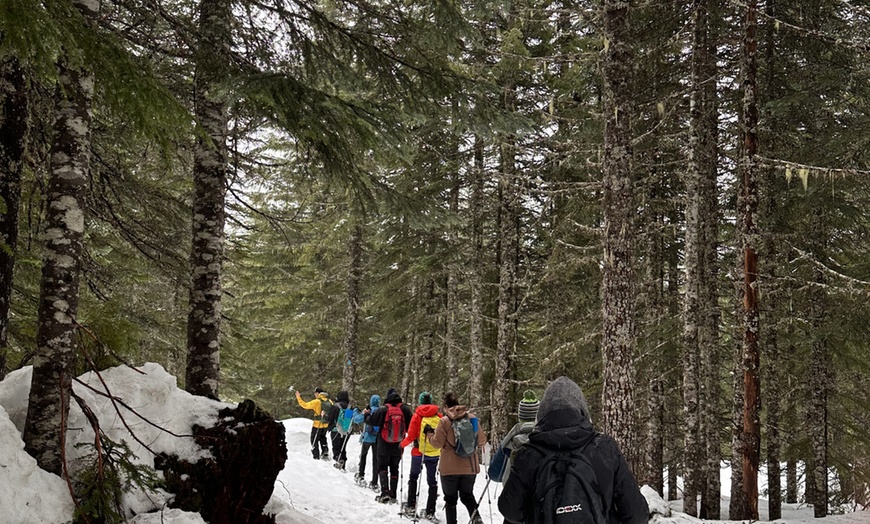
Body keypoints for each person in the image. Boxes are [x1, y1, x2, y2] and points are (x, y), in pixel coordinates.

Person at [498, 376, 649, 524]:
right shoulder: (604, 448)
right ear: (582, 411)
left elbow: (511, 512)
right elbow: (637, 515)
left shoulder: (529, 454)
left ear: (542, 414)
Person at [429, 391, 487, 524]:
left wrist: (429, 434)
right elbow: (482, 441)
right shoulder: (472, 418)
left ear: (446, 406)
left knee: (450, 500)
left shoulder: (444, 421)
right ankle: (476, 518)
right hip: (470, 467)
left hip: (449, 468)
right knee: (467, 495)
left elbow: (437, 443)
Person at [399, 391, 442, 520]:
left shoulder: (417, 416)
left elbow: (411, 436)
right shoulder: (438, 416)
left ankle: (411, 506)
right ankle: (430, 511)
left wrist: (401, 445)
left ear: (420, 401)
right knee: (432, 481)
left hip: (418, 452)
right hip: (434, 453)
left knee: (414, 477)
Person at [368, 387, 413, 503]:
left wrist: (366, 415)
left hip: (383, 443)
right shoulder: (404, 409)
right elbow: (411, 426)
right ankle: (393, 494)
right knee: (394, 468)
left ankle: (385, 492)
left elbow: (372, 421)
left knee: (382, 467)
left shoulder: (383, 409)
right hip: (398, 444)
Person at [488, 390, 540, 485]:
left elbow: (495, 474)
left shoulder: (510, 439)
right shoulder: (549, 436)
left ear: (520, 416)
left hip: (513, 491)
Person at [353, 394, 381, 491]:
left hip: (367, 438)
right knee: (376, 459)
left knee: (363, 456)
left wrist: (355, 411)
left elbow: (357, 419)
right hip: (377, 438)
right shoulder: (381, 411)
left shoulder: (368, 411)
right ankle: (374, 481)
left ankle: (361, 475)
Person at [295, 387, 333, 460]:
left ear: (318, 393)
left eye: (315, 393)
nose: (314, 395)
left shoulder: (317, 401)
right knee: (323, 438)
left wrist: (298, 397)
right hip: (326, 424)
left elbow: (305, 405)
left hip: (317, 424)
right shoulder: (330, 401)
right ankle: (325, 452)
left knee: (314, 440)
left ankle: (316, 456)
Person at [328, 390, 357, 470]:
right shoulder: (350, 407)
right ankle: (343, 463)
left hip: (336, 430)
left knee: (336, 448)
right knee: (343, 447)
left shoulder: (335, 406)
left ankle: (338, 460)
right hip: (346, 431)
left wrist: (329, 427)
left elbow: (330, 418)